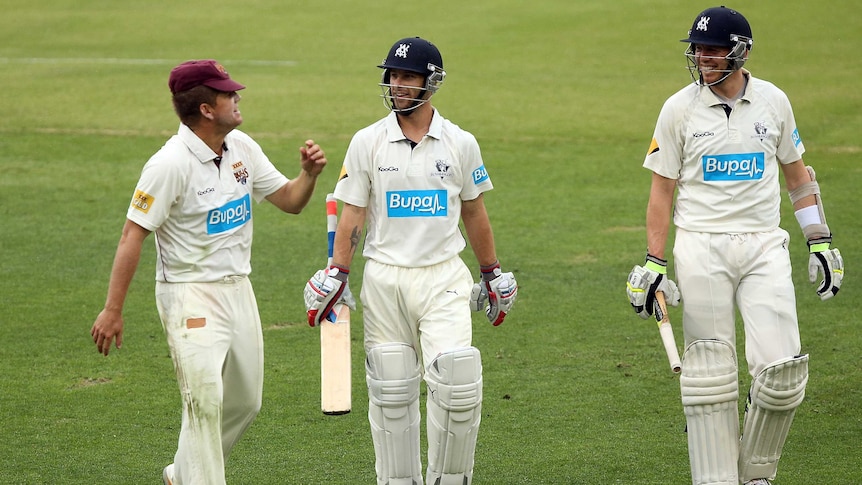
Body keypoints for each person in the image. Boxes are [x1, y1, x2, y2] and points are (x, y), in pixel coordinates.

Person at [625, 6, 845, 485]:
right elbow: (662, 190)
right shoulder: (678, 109)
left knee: (781, 374)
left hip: (765, 245)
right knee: (709, 379)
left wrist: (820, 241)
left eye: (712, 49)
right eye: (697, 49)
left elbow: (797, 176)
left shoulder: (774, 102)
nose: (702, 57)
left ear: (739, 51)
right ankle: (717, 476)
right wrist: (654, 262)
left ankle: (756, 472)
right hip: (701, 245)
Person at [89, 59, 327, 485]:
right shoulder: (168, 165)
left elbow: (290, 200)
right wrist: (112, 309)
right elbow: (132, 235)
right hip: (188, 294)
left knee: (245, 402)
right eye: (226, 93)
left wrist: (307, 175)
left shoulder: (243, 148)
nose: (236, 97)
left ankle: (181, 475)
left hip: (239, 288)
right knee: (205, 403)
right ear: (204, 109)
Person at [303, 37, 517, 485]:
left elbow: (475, 212)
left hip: (444, 278)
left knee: (458, 384)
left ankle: (451, 479)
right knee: (392, 388)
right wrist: (338, 273)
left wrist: (491, 272)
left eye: (407, 76)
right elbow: (353, 213)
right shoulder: (368, 142)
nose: (397, 85)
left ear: (431, 82)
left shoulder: (460, 142)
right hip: (385, 279)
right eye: (393, 76)